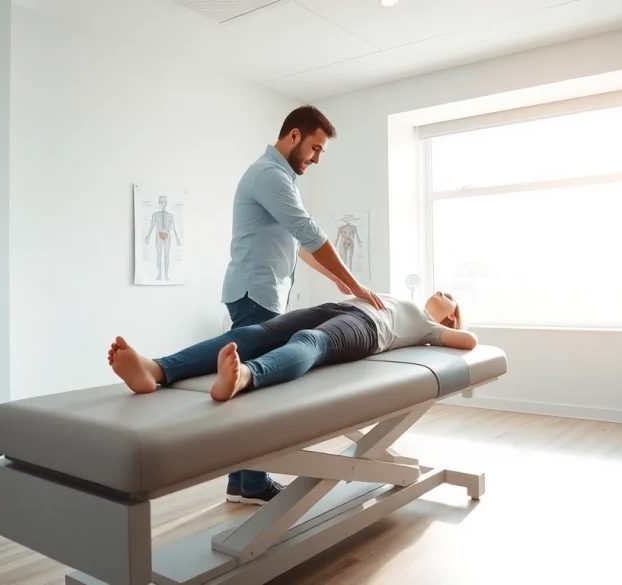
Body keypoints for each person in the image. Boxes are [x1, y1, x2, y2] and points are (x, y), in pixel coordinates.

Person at [105, 291, 476, 503]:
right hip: (338, 306)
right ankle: (155, 370)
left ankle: (246, 376)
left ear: (448, 317)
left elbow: (469, 341)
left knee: (309, 343)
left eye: (450, 298)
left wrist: (447, 326)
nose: (442, 293)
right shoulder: (402, 297)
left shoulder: (429, 327)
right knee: (254, 332)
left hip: (366, 328)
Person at [214, 105, 384, 505]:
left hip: (257, 293)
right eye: (315, 148)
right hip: (254, 295)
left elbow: (296, 243)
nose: (316, 158)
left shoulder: (280, 177)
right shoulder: (270, 176)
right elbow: (309, 232)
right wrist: (357, 284)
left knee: (250, 391)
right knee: (262, 390)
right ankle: (254, 482)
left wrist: (339, 280)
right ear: (294, 136)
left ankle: (241, 481)